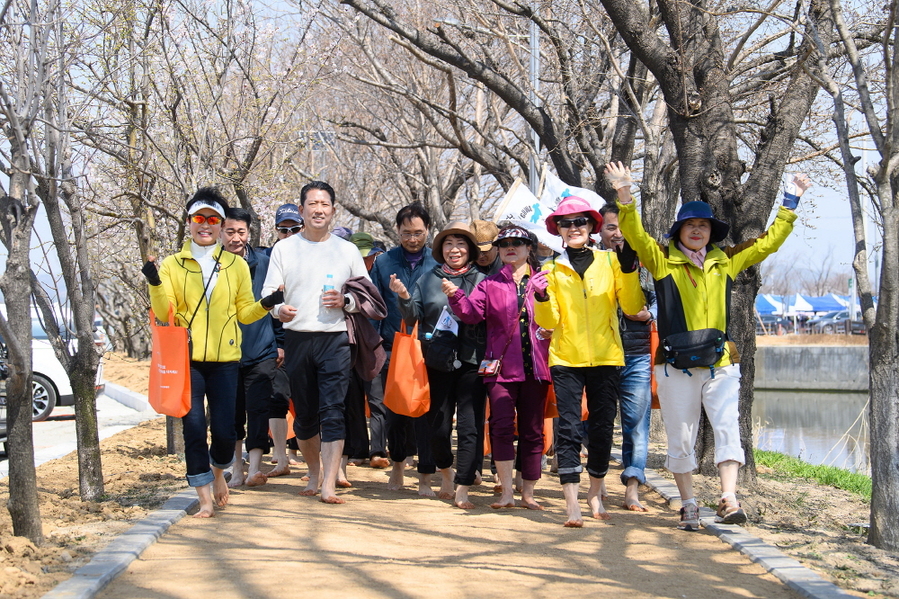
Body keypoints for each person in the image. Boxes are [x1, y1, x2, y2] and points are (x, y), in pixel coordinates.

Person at [608, 160, 811, 530]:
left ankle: (729, 497)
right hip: (674, 366)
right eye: (690, 225)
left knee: (727, 427)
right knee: (681, 434)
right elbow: (635, 236)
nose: (697, 230)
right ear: (680, 231)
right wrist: (625, 194)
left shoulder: (726, 261)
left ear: (711, 231)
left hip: (720, 362)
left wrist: (790, 202)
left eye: (703, 225)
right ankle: (688, 503)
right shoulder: (662, 261)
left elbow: (768, 244)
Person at [142, 188, 282, 517]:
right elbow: (165, 314)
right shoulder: (173, 265)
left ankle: (219, 474)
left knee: (224, 431)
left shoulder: (234, 265)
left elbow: (245, 312)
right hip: (187, 361)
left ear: (220, 225)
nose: (205, 225)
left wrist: (266, 304)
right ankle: (204, 497)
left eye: (212, 219)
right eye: (199, 219)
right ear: (189, 222)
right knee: (192, 429)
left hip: (225, 362)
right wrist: (154, 283)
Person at [533, 196, 644, 527]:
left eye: (580, 222)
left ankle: (595, 493)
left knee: (600, 428)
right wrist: (540, 297)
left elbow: (632, 305)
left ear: (592, 226)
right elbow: (549, 323)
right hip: (566, 358)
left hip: (607, 356)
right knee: (567, 429)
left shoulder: (610, 262)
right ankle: (571, 503)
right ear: (558, 230)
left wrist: (628, 269)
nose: (574, 228)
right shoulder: (550, 268)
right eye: (566, 223)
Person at [262, 181, 370, 505]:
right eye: (312, 204)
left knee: (333, 410)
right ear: (301, 210)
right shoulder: (284, 249)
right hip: (297, 337)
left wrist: (346, 300)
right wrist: (280, 309)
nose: (319, 209)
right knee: (306, 415)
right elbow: (269, 295)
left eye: (325, 204)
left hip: (335, 338)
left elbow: (366, 295)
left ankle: (329, 484)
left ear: (333, 210)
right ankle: (313, 473)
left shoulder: (346, 250)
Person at [446, 224, 551, 511]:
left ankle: (528, 492)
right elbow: (470, 314)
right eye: (504, 243)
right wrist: (455, 296)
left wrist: (544, 296)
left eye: (517, 242)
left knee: (533, 431)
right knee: (501, 428)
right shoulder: (489, 284)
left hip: (537, 368)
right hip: (501, 370)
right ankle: (506, 492)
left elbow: (558, 318)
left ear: (529, 248)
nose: (510, 247)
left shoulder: (545, 280)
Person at [393, 221, 487, 508]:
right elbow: (412, 317)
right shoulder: (427, 278)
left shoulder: (482, 279)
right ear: (440, 249)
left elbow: (486, 316)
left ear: (470, 250)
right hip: (436, 360)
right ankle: (445, 469)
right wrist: (404, 296)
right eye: (448, 244)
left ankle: (462, 485)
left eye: (460, 244)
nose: (454, 249)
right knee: (438, 426)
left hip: (472, 361)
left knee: (470, 427)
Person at [368, 203, 438, 492]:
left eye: (418, 233)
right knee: (395, 411)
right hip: (392, 346)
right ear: (397, 231)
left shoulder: (437, 261)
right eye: (407, 233)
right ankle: (396, 467)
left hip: (430, 346)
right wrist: (373, 344)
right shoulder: (384, 263)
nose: (412, 239)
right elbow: (372, 305)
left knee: (426, 413)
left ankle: (424, 476)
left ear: (428, 231)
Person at [599, 203, 656, 512]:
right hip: (601, 355)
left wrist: (650, 314)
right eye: (611, 227)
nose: (617, 233)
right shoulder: (593, 262)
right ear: (601, 231)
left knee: (636, 423)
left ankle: (633, 485)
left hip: (637, 355)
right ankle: (599, 481)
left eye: (623, 227)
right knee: (600, 422)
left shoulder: (647, 262)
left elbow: (664, 298)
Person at [221, 207, 282, 489]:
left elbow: (279, 301)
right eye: (230, 231)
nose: (235, 238)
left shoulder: (266, 261)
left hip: (261, 349)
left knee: (259, 408)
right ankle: (236, 468)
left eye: (241, 232)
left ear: (249, 233)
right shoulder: (212, 265)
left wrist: (280, 343)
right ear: (221, 232)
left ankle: (255, 466)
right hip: (224, 353)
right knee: (231, 412)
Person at [264, 203, 304, 470]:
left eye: (294, 229)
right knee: (277, 398)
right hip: (280, 342)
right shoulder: (269, 259)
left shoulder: (316, 254)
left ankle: (312, 456)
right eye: (283, 230)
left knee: (309, 399)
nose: (288, 234)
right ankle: (280, 456)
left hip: (312, 339)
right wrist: (278, 344)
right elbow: (264, 304)